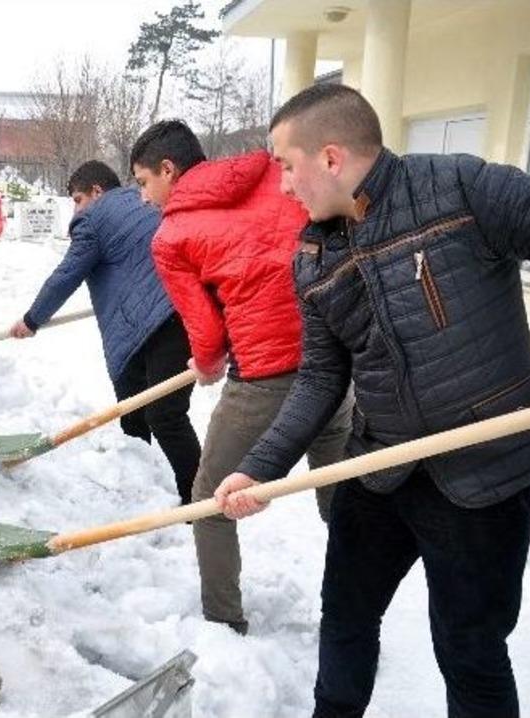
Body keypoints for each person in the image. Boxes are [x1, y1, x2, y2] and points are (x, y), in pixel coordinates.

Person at [214, 83, 530, 717]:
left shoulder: (460, 189)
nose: (283, 186)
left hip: (485, 475)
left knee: (469, 648)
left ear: (329, 157)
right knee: (345, 619)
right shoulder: (314, 257)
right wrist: (260, 467)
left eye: (286, 166)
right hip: (380, 469)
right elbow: (322, 377)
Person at [130, 120, 352, 636]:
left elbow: (206, 339)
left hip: (266, 378)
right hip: (334, 363)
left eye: (144, 182)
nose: (143, 198)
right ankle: (353, 622)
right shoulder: (277, 176)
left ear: (169, 170)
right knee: (341, 502)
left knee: (211, 503)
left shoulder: (172, 236)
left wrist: (206, 364)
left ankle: (223, 624)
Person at [10, 160, 201, 504]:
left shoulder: (94, 219)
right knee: (139, 404)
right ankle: (144, 486)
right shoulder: (144, 201)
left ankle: (199, 500)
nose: (75, 209)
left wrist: (31, 320)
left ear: (97, 191)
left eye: (78, 199)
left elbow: (66, 275)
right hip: (181, 313)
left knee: (162, 415)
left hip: (158, 321)